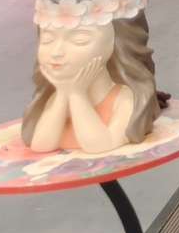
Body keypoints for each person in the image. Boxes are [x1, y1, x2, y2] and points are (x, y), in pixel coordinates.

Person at [23, 9, 163, 154]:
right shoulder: (57, 98)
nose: (56, 52)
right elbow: (40, 145)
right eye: (47, 39)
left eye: (79, 40)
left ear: (111, 45)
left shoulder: (124, 98)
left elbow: (100, 146)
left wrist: (77, 94)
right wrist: (63, 93)